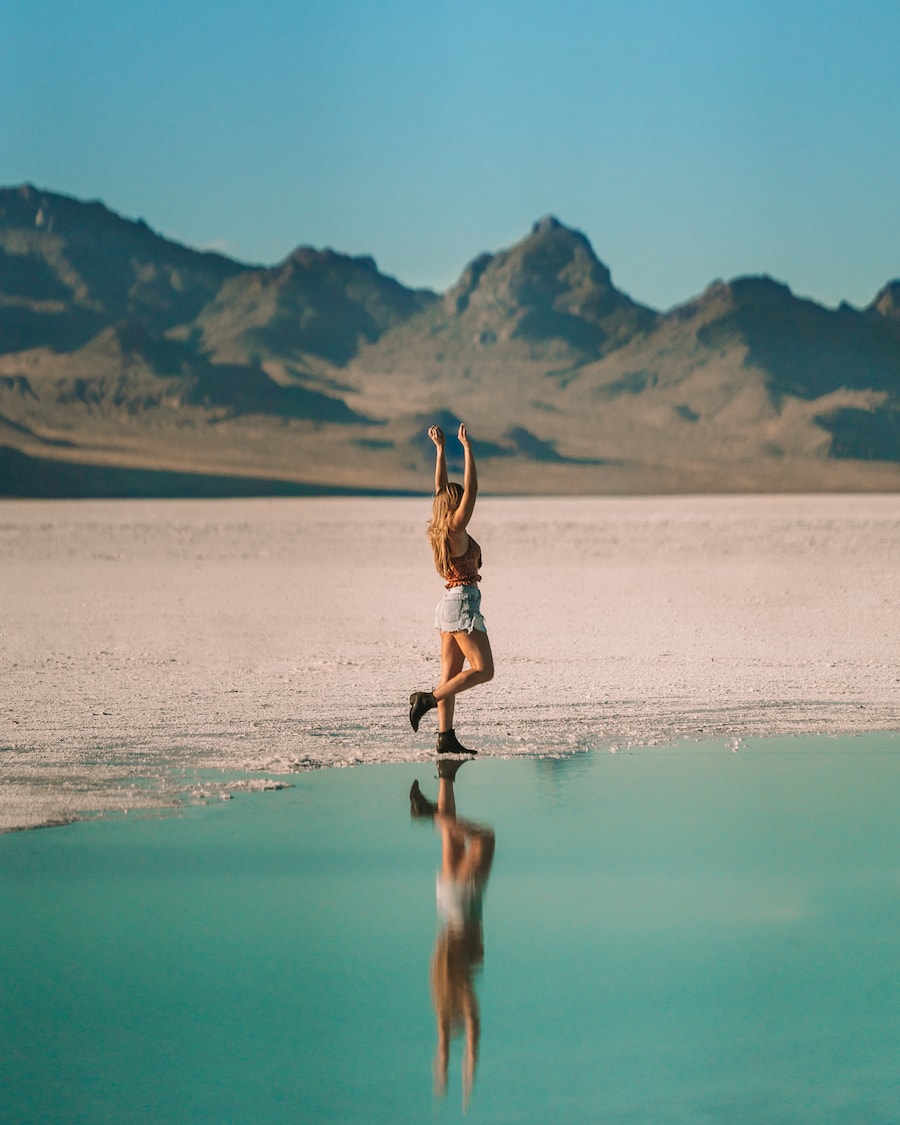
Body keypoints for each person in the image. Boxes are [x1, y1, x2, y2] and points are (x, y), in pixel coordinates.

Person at [408, 759, 495, 1112]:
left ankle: (429, 811)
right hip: (445, 901)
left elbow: (473, 1035)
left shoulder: (461, 989)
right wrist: (445, 1077)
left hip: (465, 901)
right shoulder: (441, 992)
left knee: (485, 837)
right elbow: (443, 1044)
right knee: (450, 835)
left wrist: (470, 1078)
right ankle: (445, 773)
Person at [409, 423, 494, 755]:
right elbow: (469, 493)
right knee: (484, 670)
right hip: (462, 606)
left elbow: (440, 490)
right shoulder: (456, 529)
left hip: (449, 605)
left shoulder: (440, 527)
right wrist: (469, 451)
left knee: (450, 673)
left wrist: (441, 451)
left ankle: (445, 738)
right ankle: (427, 699)